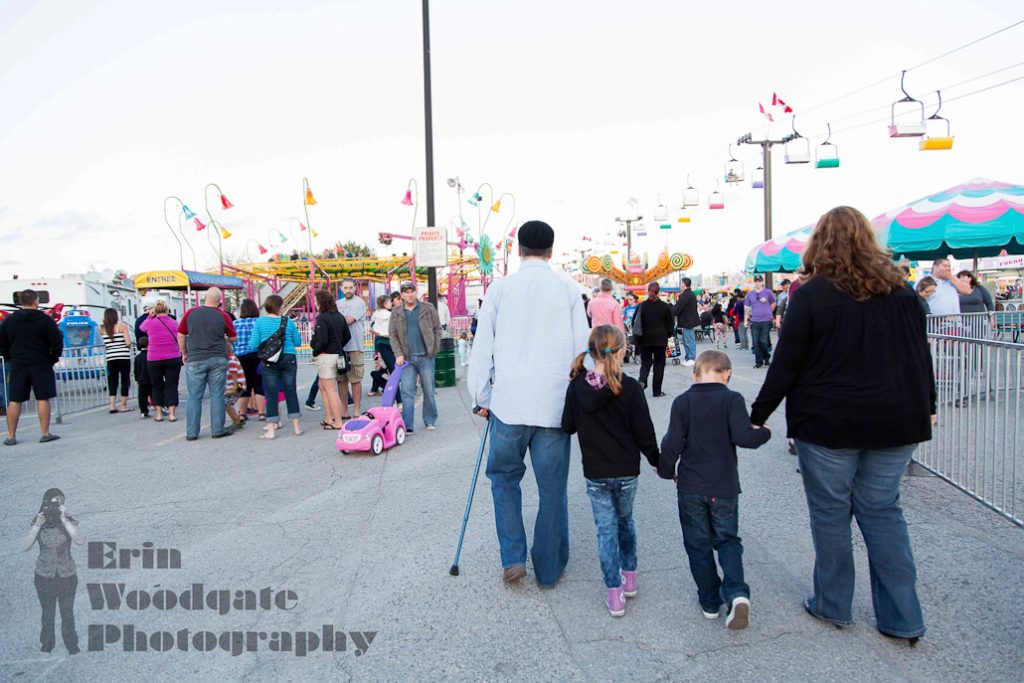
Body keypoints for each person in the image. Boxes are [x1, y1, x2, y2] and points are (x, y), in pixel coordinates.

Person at [749, 206, 935, 644]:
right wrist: (928, 404)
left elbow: (787, 363)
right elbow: (918, 357)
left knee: (831, 516)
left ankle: (833, 604)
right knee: (883, 513)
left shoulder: (812, 296)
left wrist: (758, 415)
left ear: (820, 245)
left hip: (829, 422)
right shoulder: (904, 294)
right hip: (896, 422)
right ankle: (902, 617)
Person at [468, 220, 590, 586]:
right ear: (551, 251)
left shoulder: (500, 289)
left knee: (504, 480)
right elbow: (582, 350)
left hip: (509, 403)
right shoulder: (568, 289)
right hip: (554, 406)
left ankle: (513, 558)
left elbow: (482, 348)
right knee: (553, 489)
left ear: (519, 250)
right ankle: (549, 568)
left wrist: (482, 397)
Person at [659, 350, 771, 629]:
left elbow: (673, 441)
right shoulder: (732, 399)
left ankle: (710, 601)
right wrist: (764, 431)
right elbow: (745, 437)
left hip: (690, 486)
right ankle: (736, 593)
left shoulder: (683, 402)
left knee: (697, 543)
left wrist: (666, 470)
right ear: (728, 374)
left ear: (693, 374)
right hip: (723, 487)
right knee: (728, 540)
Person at [561, 325, 659, 617]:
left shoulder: (578, 386)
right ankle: (629, 578)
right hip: (627, 472)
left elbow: (567, 426)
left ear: (592, 353)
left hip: (596, 473)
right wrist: (657, 460)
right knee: (625, 522)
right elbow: (644, 431)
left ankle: (614, 594)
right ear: (619, 351)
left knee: (606, 530)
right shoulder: (629, 387)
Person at [21, 488, 84, 655]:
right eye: (53, 503)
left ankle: (72, 645)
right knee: (47, 613)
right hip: (44, 576)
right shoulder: (38, 521)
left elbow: (80, 540)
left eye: (60, 503)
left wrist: (64, 519)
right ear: (44, 503)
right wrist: (36, 526)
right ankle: (47, 645)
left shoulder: (68, 520)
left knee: (67, 613)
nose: (56, 507)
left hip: (67, 575)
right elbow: (25, 546)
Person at [0, 289, 63, 445]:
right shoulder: (46, 320)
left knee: (15, 400)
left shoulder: (9, 321)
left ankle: (10, 436)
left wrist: (10, 358)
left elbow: (2, 343)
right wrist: (52, 359)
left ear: (20, 302)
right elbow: (56, 341)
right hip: (41, 363)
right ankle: (45, 433)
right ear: (36, 301)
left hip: (18, 364)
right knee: (43, 398)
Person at [176, 287, 237, 441]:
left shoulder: (191, 313)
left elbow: (181, 335)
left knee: (194, 396)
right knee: (217, 395)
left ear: (205, 298)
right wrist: (224, 341)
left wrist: (184, 353)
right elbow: (233, 337)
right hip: (218, 358)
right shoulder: (223, 315)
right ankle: (217, 429)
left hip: (195, 358)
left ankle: (191, 432)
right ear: (219, 302)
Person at [247, 294, 303, 440]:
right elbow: (297, 341)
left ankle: (271, 430)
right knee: (291, 391)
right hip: (288, 358)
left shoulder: (260, 322)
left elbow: (253, 345)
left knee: (271, 394)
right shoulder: (288, 322)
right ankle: (296, 427)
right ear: (280, 307)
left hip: (269, 361)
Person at [389, 280, 442, 432]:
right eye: (406, 292)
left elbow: (437, 329)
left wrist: (434, 349)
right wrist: (398, 354)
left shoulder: (428, 308)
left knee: (429, 391)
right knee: (407, 392)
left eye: (412, 291)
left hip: (426, 356)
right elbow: (392, 335)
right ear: (402, 295)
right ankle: (407, 425)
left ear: (416, 292)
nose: (410, 294)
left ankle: (430, 420)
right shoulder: (396, 312)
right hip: (407, 359)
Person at [310, 289, 350, 428]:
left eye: (315, 301)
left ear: (321, 302)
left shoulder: (321, 317)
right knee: (323, 386)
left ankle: (337, 421)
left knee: (331, 390)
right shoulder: (339, 316)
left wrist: (315, 351)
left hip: (326, 355)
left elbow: (322, 340)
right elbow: (347, 336)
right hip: (337, 354)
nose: (314, 304)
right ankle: (328, 417)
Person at [140, 300, 182, 423]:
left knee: (156, 385)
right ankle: (172, 414)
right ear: (167, 311)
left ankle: (159, 414)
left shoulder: (151, 323)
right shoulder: (174, 323)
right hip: (173, 357)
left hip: (154, 358)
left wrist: (150, 316)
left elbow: (141, 328)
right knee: (172, 385)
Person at [633, 282, 674, 398]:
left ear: (648, 292)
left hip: (644, 339)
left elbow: (635, 323)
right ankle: (657, 391)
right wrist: (668, 334)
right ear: (659, 292)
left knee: (645, 362)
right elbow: (671, 323)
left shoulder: (642, 306)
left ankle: (642, 380)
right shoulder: (665, 307)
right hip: (660, 339)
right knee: (659, 364)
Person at [336, 278, 368, 417]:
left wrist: (333, 322)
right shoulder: (337, 303)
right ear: (341, 289)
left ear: (355, 288)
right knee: (341, 380)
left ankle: (356, 409)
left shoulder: (359, 303)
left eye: (350, 287)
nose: (348, 290)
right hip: (340, 348)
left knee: (355, 379)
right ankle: (344, 410)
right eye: (345, 288)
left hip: (355, 346)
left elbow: (348, 320)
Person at [233, 299, 265, 421]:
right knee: (259, 384)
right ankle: (261, 413)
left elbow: (231, 342)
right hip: (257, 356)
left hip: (240, 358)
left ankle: (242, 412)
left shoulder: (235, 323)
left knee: (241, 385)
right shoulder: (260, 322)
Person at [100, 307, 133, 413]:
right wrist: (128, 345)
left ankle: (112, 406)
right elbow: (128, 342)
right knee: (124, 380)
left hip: (110, 357)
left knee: (112, 381)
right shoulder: (122, 326)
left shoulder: (102, 329)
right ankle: (123, 405)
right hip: (123, 356)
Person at [744, 275, 776, 369]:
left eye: (759, 281)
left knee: (763, 340)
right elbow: (746, 306)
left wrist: (770, 311)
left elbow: (773, 302)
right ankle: (759, 361)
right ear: (754, 282)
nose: (758, 283)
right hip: (755, 320)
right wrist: (746, 318)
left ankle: (766, 357)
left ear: (762, 282)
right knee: (756, 342)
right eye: (756, 281)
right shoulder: (750, 294)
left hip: (766, 320)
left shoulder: (768, 292)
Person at [368, 294, 395, 398]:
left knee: (384, 368)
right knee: (389, 369)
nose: (391, 303)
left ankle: (381, 388)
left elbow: (372, 327)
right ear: (385, 303)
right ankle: (389, 388)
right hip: (386, 343)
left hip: (381, 344)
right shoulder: (389, 315)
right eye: (389, 302)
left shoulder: (377, 314)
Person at [672, 277, 699, 366]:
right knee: (685, 340)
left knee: (689, 340)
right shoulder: (690, 294)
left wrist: (670, 313)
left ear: (684, 284)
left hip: (688, 321)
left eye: (681, 283)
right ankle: (688, 358)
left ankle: (691, 358)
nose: (680, 285)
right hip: (688, 321)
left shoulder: (686, 295)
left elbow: (678, 307)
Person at [225, 344, 246, 429]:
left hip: (237, 385)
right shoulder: (232, 357)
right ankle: (237, 419)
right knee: (228, 403)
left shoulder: (230, 359)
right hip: (238, 384)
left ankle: (237, 420)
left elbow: (234, 373)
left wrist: (234, 386)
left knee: (225, 403)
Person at [134, 336, 152, 418]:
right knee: (153, 394)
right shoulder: (150, 355)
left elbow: (136, 369)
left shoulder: (137, 357)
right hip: (150, 378)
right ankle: (158, 406)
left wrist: (136, 379)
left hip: (141, 379)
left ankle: (143, 411)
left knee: (142, 397)